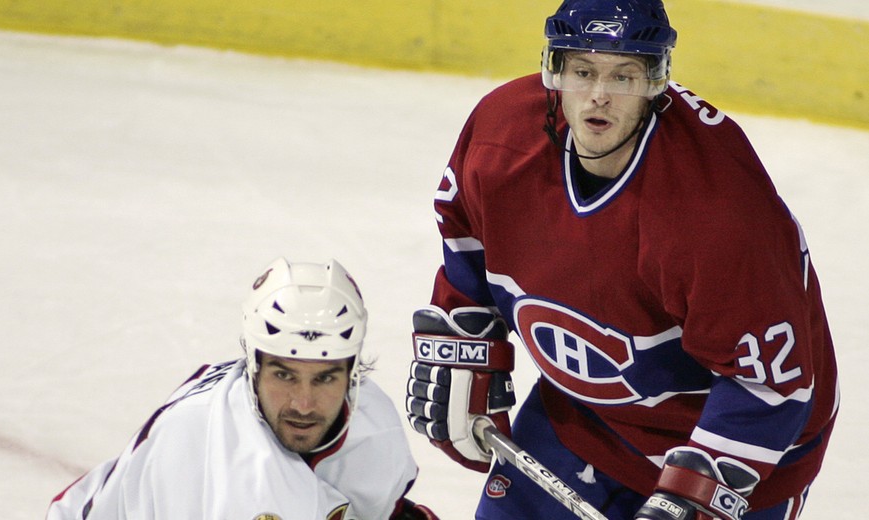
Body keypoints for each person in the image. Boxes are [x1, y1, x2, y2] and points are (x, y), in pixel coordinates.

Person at [404, 1, 839, 519]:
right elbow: (465, 235)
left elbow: (772, 386)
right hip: (579, 421)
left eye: (624, 75)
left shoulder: (717, 211)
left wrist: (697, 492)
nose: (599, 94)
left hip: (743, 456)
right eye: (583, 71)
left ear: (657, 84)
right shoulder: (501, 136)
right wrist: (464, 341)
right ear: (556, 71)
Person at [48, 257, 437, 520]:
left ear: (353, 376)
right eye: (283, 375)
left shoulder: (374, 422)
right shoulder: (224, 462)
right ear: (252, 368)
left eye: (324, 378)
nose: (304, 404)